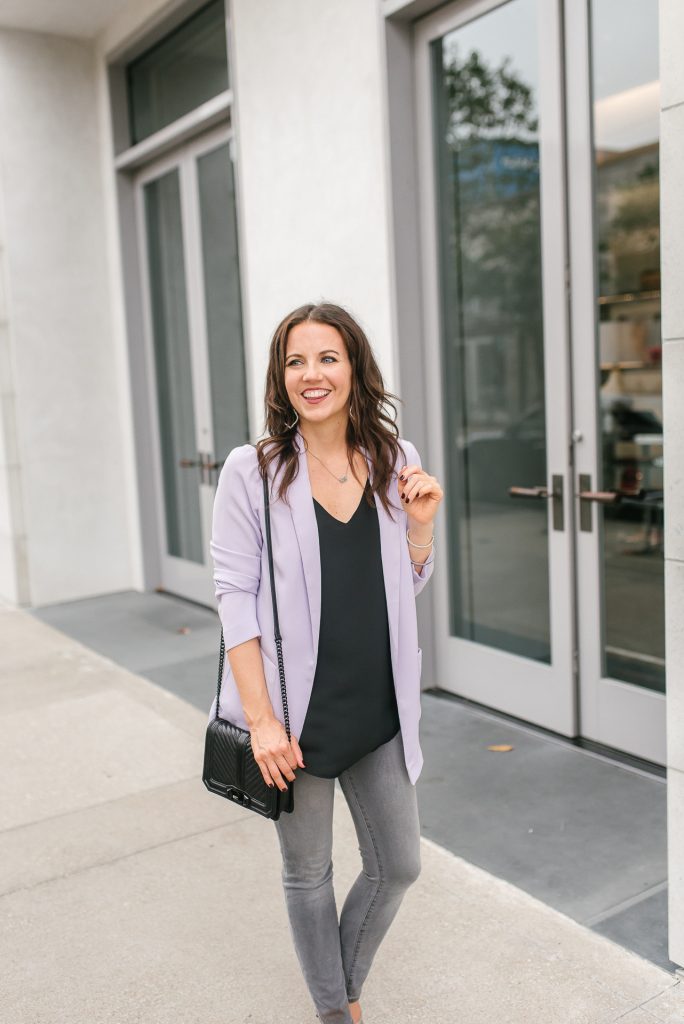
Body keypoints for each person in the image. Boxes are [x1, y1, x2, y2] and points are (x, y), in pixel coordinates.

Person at [209, 301, 443, 1024]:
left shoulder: (392, 460)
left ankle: (337, 987)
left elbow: (403, 590)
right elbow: (235, 599)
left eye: (328, 358)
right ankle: (337, 1013)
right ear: (282, 379)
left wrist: (422, 530)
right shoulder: (255, 471)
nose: (313, 374)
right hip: (292, 718)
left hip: (376, 705)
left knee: (398, 864)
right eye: (296, 361)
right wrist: (262, 721)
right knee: (307, 872)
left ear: (354, 369)